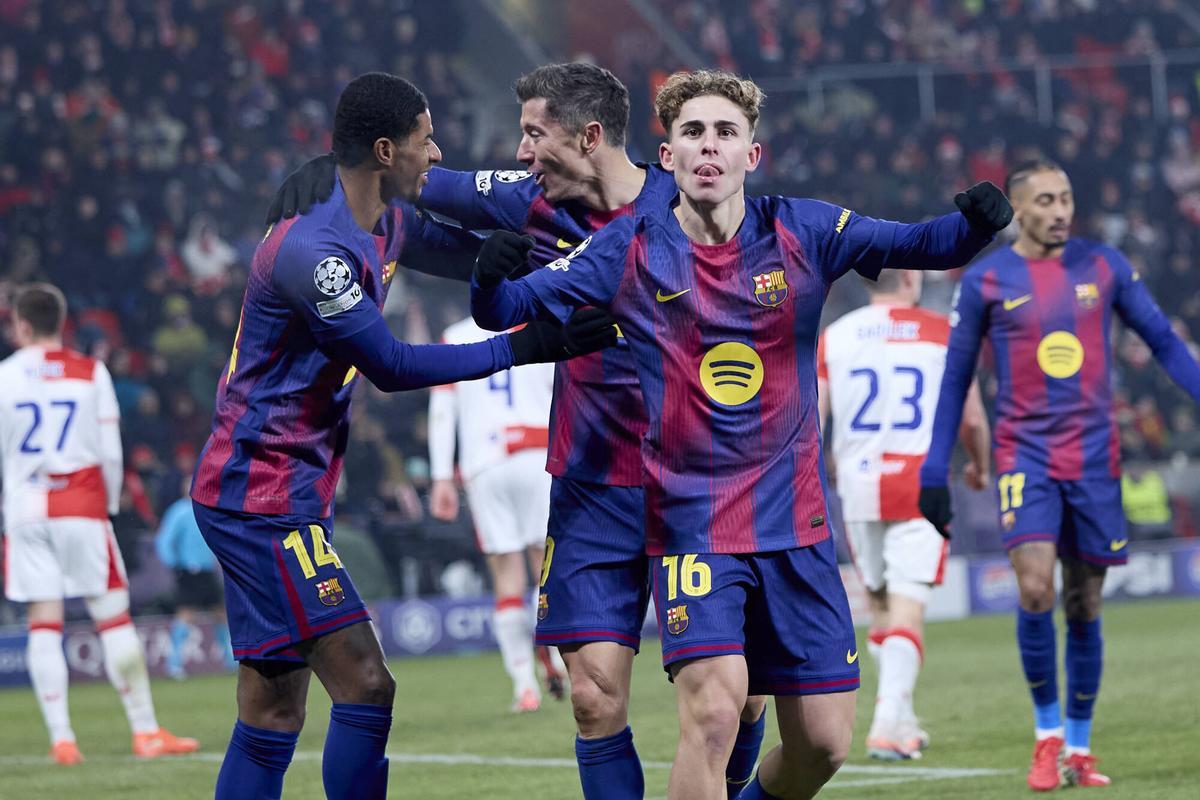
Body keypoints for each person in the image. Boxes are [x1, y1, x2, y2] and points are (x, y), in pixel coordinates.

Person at [470, 69, 1011, 800]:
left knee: (823, 743)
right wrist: (487, 279)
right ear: (667, 158)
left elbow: (926, 243)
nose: (708, 146)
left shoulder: (807, 228)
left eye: (726, 132)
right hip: (691, 522)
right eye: (691, 132)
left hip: (795, 520)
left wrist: (977, 225)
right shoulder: (628, 247)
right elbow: (506, 306)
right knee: (715, 708)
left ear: (752, 155)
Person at [268, 61, 769, 799]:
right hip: (593, 481)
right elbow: (401, 175)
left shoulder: (687, 200)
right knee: (595, 699)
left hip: (698, 479)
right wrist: (311, 208)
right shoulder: (524, 196)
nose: (522, 151)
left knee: (743, 699)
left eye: (535, 134)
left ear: (590, 136)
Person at [189, 72, 615, 800]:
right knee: (367, 685)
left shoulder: (387, 217)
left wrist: (571, 253)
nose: (437, 151)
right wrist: (524, 345)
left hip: (285, 488)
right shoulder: (313, 254)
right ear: (387, 150)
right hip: (256, 494)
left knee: (273, 705)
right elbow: (389, 364)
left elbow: (466, 254)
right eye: (426, 140)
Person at [919, 159, 1200, 791]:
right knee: (1037, 589)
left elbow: (1163, 341)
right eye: (1046, 199)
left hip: (1096, 459)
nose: (1061, 210)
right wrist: (937, 467)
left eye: (1067, 197)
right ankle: (1045, 739)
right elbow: (956, 378)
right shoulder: (988, 277)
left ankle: (1079, 746)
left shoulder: (1103, 265)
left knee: (1085, 601)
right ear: (1019, 209)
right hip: (1027, 457)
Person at [0, 283, 199, 765]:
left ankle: (63, 740)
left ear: (21, 325)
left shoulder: (4, 376)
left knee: (43, 624)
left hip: (26, 509)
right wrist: (109, 503)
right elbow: (111, 450)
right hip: (81, 504)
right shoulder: (91, 373)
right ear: (61, 322)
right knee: (112, 618)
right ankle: (145, 732)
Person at [816, 269, 990, 760]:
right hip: (920, 484)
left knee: (881, 603)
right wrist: (979, 464)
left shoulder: (836, 335)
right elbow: (973, 416)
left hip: (857, 484)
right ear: (911, 281)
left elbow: (812, 417)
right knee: (908, 607)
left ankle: (901, 716)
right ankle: (888, 723)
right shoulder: (940, 333)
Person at [427, 315, 558, 712]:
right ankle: (554, 659)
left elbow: (441, 412)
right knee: (544, 566)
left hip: (485, 462)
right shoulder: (542, 324)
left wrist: (440, 478)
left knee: (506, 573)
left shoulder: (453, 336)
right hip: (539, 452)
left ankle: (524, 685)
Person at [155, 479, 235, 678]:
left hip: (207, 571)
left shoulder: (208, 508)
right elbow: (164, 540)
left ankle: (231, 661)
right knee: (185, 614)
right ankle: (174, 664)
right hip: (189, 571)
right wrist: (175, 564)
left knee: (221, 614)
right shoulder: (179, 511)